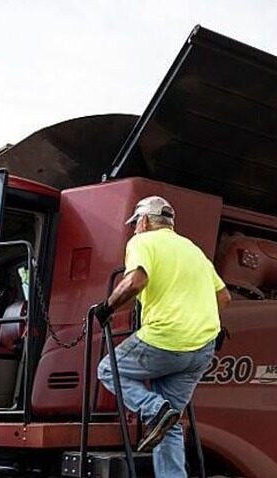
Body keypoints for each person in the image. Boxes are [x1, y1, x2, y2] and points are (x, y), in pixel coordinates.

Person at [93, 195, 231, 478]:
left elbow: (136, 280)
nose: (134, 230)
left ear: (143, 221)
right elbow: (224, 297)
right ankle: (161, 420)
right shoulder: (193, 250)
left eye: (135, 224)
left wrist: (106, 308)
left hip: (165, 340)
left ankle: (153, 408)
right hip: (201, 350)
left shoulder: (142, 242)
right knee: (169, 424)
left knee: (108, 369)